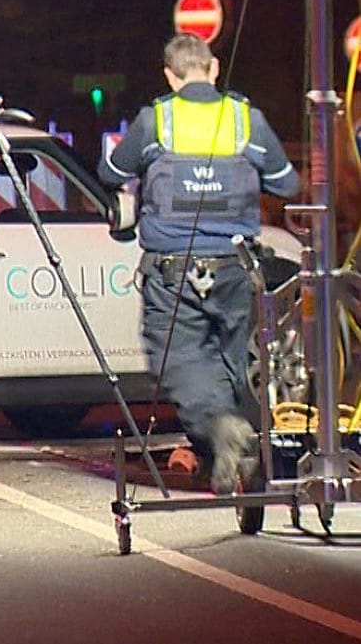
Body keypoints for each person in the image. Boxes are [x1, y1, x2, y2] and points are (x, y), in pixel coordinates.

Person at [98, 33, 299, 494]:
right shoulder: (247, 120)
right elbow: (287, 184)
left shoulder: (155, 121)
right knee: (235, 363)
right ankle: (239, 452)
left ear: (169, 75)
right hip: (236, 266)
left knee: (183, 359)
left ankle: (221, 431)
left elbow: (111, 173)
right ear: (213, 68)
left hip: (172, 272)